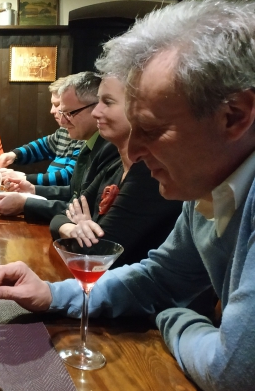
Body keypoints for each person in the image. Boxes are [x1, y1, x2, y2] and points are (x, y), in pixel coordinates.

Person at [0, 0, 255, 391]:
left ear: (234, 116)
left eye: (152, 130)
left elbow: (238, 378)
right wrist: (53, 294)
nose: (137, 151)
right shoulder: (205, 187)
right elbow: (161, 277)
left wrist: (173, 316)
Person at [49, 75, 183, 266]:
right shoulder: (116, 166)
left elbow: (97, 254)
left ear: (139, 109)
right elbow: (60, 216)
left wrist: (78, 229)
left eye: (108, 102)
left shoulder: (150, 175)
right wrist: (72, 229)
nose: (96, 112)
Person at [0, 72, 118, 221]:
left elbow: (82, 209)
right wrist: (32, 187)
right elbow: (74, 193)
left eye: (69, 112)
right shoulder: (85, 139)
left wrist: (26, 202)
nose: (62, 120)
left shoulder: (107, 149)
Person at [0, 76, 83, 187]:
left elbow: (69, 177)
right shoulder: (64, 131)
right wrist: (14, 155)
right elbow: (43, 145)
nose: (52, 111)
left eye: (57, 105)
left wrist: (23, 178)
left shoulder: (83, 135)